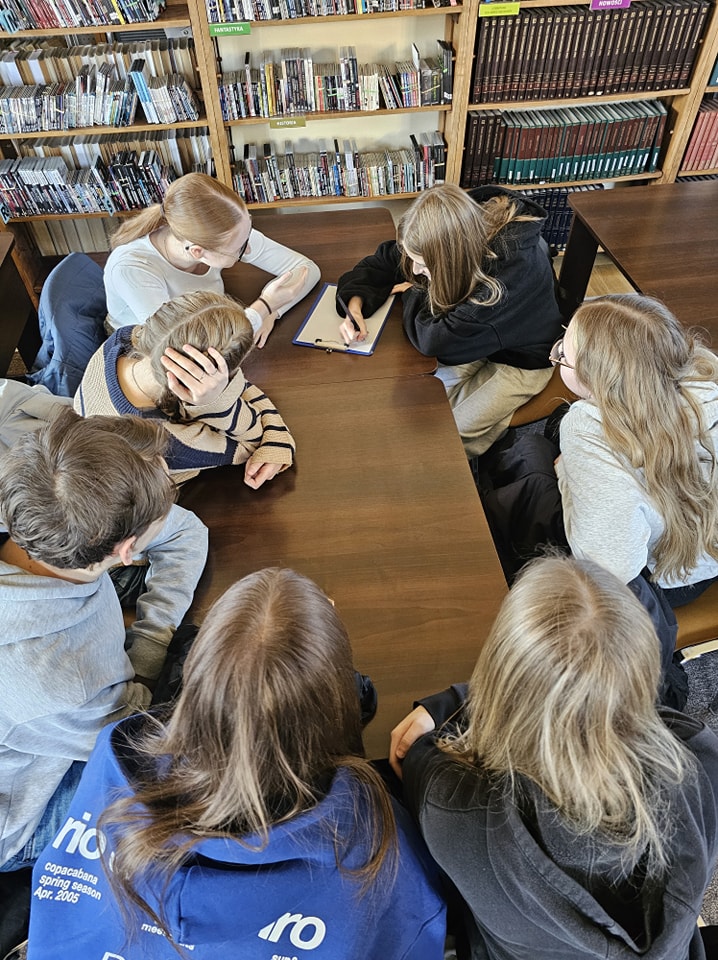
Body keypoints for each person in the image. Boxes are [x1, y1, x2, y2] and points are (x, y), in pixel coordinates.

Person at [28, 568, 447, 960]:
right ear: (335, 704)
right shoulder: (370, 832)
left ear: (195, 678)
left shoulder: (119, 750)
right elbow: (413, 928)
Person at [391, 555, 718, 960]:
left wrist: (455, 702)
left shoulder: (454, 805)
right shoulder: (701, 761)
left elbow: (418, 756)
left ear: (498, 678)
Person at [0, 408, 208, 872]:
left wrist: (149, 645)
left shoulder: (36, 502)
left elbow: (185, 533)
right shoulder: (68, 680)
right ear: (125, 551)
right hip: (23, 813)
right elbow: (135, 732)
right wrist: (149, 668)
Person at [336, 183, 563, 456]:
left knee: (447, 436)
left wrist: (413, 290)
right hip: (480, 339)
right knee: (418, 403)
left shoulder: (498, 288)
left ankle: (496, 449)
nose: (415, 270)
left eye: (423, 265)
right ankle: (490, 429)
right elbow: (385, 260)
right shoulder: (458, 229)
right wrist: (356, 302)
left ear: (449, 261)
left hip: (523, 360)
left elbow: (435, 341)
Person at [553, 293, 718, 605]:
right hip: (705, 558)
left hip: (663, 578)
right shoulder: (707, 374)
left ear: (596, 378)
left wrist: (566, 475)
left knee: (535, 481)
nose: (558, 352)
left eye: (563, 355)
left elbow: (609, 567)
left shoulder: (584, 426)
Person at [74, 290, 296, 487]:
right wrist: (216, 402)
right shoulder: (166, 441)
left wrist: (224, 388)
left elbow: (239, 386)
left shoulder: (124, 339)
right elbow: (251, 441)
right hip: (153, 500)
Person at [103, 172, 320, 346]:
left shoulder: (227, 232)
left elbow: (306, 268)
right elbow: (184, 345)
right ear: (198, 252)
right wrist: (263, 306)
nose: (249, 247)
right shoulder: (131, 268)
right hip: (143, 347)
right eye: (240, 248)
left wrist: (272, 312)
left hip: (211, 324)